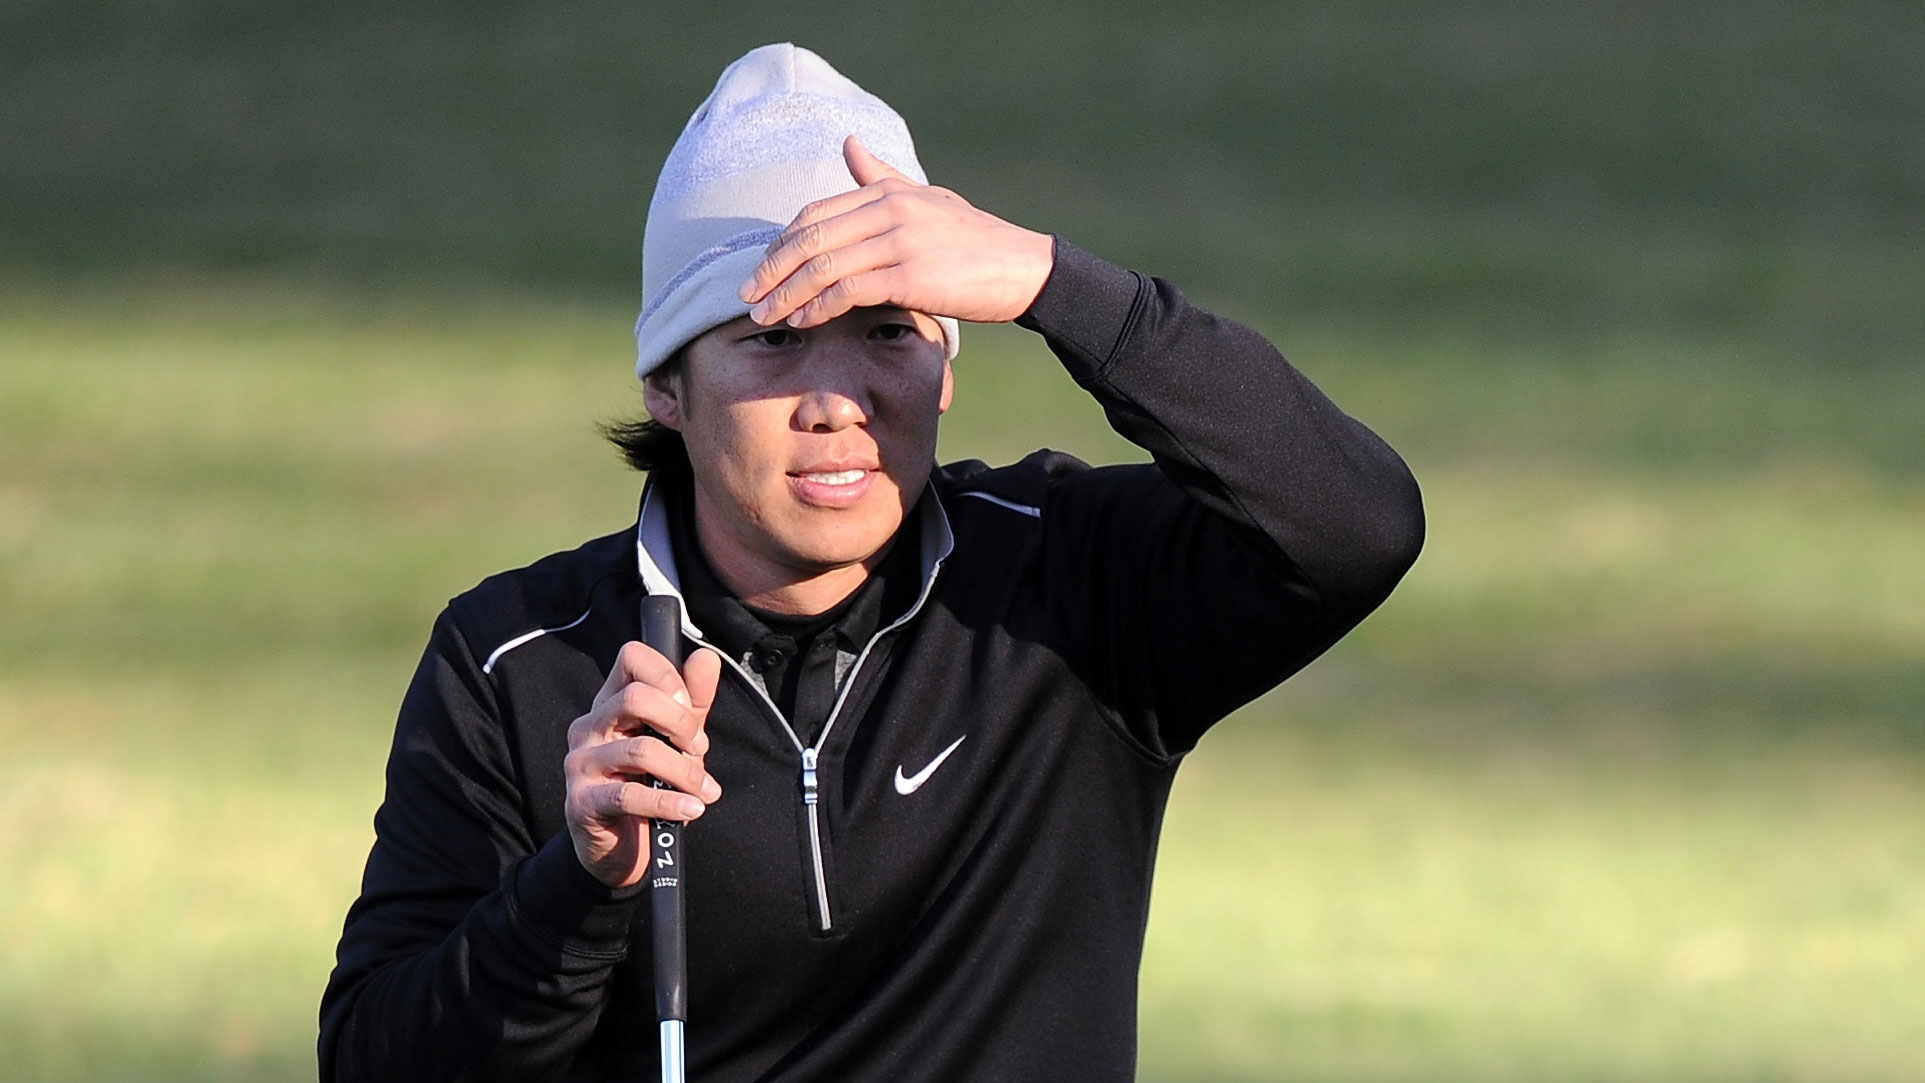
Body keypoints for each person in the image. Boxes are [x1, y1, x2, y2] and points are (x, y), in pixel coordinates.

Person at [320, 42, 1424, 1083]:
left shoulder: (1069, 579)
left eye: (890, 331)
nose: (837, 402)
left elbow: (1354, 524)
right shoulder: (520, 663)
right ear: (666, 384)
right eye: (774, 337)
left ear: (946, 365)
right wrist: (578, 881)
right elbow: (375, 1057)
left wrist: (1057, 283)